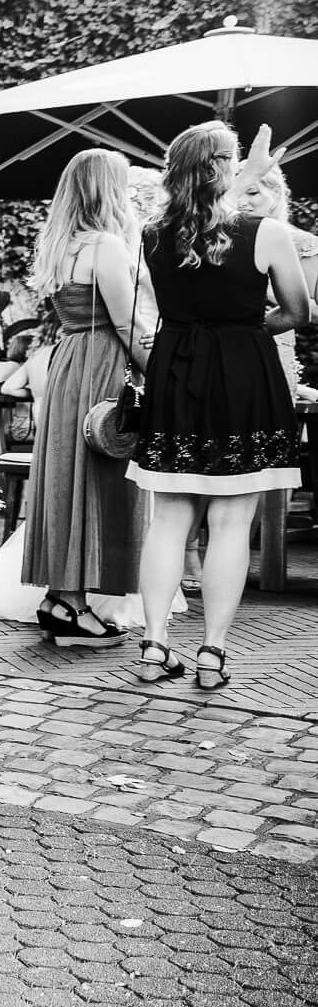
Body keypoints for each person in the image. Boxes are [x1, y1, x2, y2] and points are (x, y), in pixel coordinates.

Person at [129, 122, 313, 689]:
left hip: (176, 370)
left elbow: (197, 232)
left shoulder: (152, 234)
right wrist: (252, 324)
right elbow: (299, 311)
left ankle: (155, 646)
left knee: (169, 520)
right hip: (243, 375)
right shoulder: (269, 235)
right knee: (232, 523)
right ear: (223, 168)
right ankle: (211, 654)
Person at [21, 150, 149, 645]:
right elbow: (124, 323)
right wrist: (158, 369)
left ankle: (59, 595)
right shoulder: (107, 245)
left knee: (67, 477)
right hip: (100, 363)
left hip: (68, 361)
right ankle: (72, 607)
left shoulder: (60, 244)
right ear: (107, 190)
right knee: (96, 479)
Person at [229, 159, 318, 400]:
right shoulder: (224, 240)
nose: (242, 201)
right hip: (222, 351)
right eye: (236, 191)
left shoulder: (301, 242)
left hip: (273, 350)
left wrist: (273, 290)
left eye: (253, 192)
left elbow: (313, 310)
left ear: (276, 193)